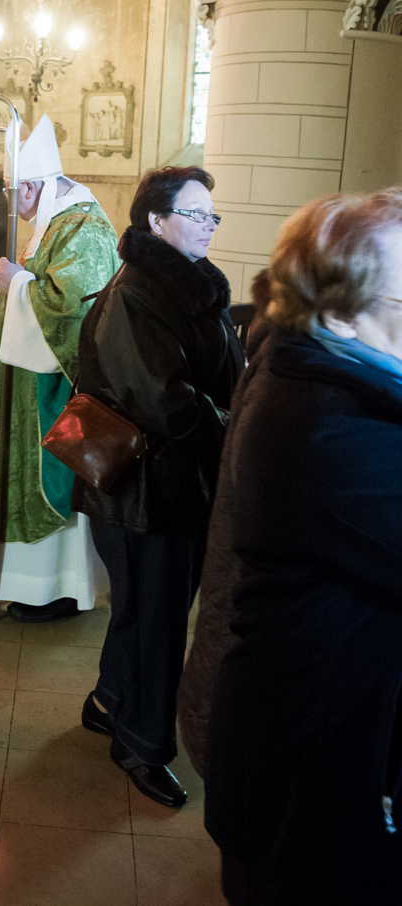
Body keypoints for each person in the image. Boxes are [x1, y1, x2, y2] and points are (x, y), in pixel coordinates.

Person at [189, 191, 402, 906]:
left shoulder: (337, 375)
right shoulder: (326, 426)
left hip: (319, 750)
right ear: (338, 312)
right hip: (306, 775)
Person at [73, 166, 243, 808]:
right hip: (143, 491)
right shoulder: (136, 294)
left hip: (177, 483)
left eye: (211, 214)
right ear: (155, 221)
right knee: (158, 622)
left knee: (144, 610)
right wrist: (235, 423)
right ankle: (141, 745)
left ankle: (109, 702)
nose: (208, 225)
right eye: (195, 214)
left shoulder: (183, 286)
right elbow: (164, 403)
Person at [0, 115, 120, 622]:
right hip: (20, 383)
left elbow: (74, 309)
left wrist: (17, 284)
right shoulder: (55, 220)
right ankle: (22, 582)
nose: (14, 206)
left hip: (48, 389)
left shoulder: (82, 225)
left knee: (46, 484)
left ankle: (53, 589)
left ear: (36, 186)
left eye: (18, 194)